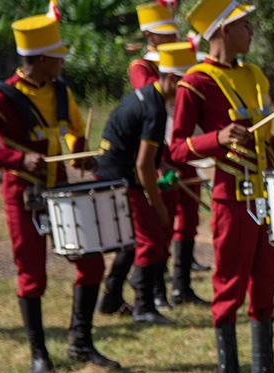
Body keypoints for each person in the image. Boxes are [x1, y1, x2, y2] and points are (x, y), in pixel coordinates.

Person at [0, 12, 121, 373]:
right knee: (32, 274)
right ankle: (39, 355)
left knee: (91, 264)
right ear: (40, 60)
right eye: (58, 57)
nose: (63, 62)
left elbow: (75, 133)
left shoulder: (61, 91)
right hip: (23, 194)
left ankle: (81, 343)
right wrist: (18, 158)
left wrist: (83, 154)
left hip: (62, 190)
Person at [169, 0, 274, 373]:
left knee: (266, 285)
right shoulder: (195, 83)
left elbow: (261, 135)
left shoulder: (254, 74)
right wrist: (216, 140)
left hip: (266, 197)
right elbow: (176, 149)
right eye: (245, 25)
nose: (252, 32)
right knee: (228, 287)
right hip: (231, 197)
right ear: (224, 31)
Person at [94, 41, 196, 326]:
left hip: (115, 173)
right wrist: (158, 204)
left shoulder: (147, 97)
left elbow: (148, 155)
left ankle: (111, 297)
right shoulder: (155, 109)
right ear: (174, 79)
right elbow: (142, 165)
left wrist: (162, 167)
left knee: (131, 243)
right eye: (186, 85)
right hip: (120, 178)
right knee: (151, 239)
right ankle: (144, 307)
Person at [132, 1, 209, 307]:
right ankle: (156, 290)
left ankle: (182, 286)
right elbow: (156, 96)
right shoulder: (142, 66)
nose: (169, 40)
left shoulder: (180, 61)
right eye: (163, 36)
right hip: (159, 149)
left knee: (189, 218)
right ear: (150, 36)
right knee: (163, 220)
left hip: (185, 146)